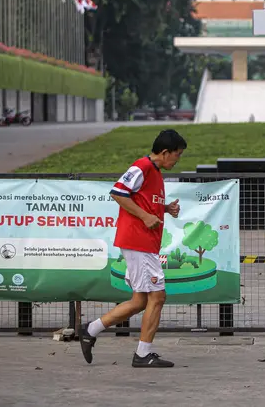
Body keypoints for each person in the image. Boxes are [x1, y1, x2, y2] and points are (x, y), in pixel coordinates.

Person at [80, 129, 187, 368]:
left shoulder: (156, 173)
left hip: (142, 243)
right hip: (139, 242)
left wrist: (165, 209)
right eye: (177, 155)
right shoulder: (142, 166)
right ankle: (142, 354)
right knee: (158, 297)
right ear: (165, 152)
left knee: (140, 301)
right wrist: (146, 216)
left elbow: (143, 203)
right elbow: (118, 192)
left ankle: (90, 329)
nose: (178, 160)